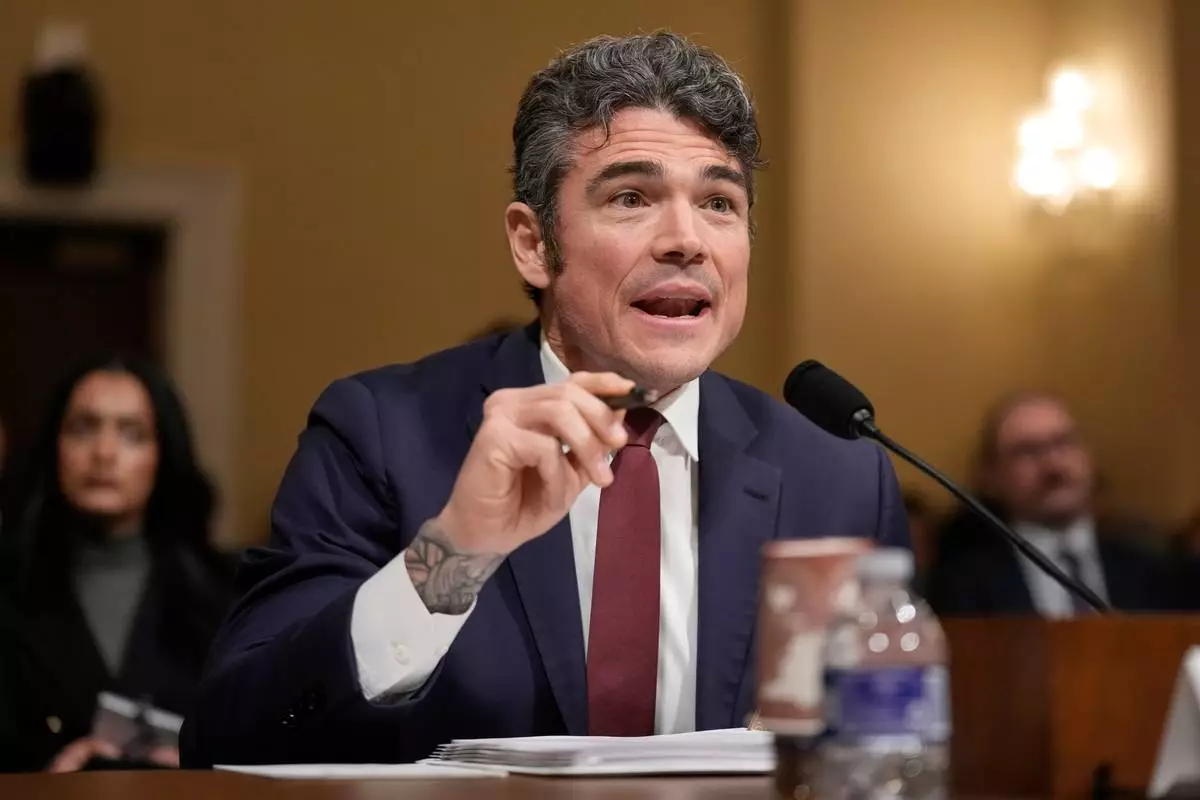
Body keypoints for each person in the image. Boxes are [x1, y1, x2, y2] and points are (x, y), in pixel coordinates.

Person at [181, 32, 908, 767]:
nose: (686, 241)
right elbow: (228, 738)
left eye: (719, 202)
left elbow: (892, 752)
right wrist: (454, 552)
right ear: (534, 245)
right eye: (632, 198)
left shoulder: (838, 477)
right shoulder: (381, 434)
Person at [0, 355, 234, 772]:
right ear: (54, 446)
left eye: (132, 434)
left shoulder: (225, 591)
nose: (104, 453)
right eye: (83, 428)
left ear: (163, 454)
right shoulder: (9, 585)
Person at [925, 391, 1174, 617]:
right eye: (1027, 451)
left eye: (1063, 442)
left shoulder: (1152, 569)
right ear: (992, 475)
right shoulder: (962, 585)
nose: (1053, 465)